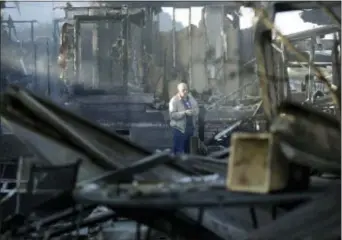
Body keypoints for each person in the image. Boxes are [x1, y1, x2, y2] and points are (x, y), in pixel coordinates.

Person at [169, 82, 199, 154]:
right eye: (183, 90)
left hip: (190, 129)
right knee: (179, 152)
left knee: (189, 151)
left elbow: (197, 109)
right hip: (179, 130)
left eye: (186, 89)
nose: (185, 91)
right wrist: (184, 113)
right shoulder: (174, 100)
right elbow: (172, 115)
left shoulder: (191, 98)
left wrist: (194, 112)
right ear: (179, 91)